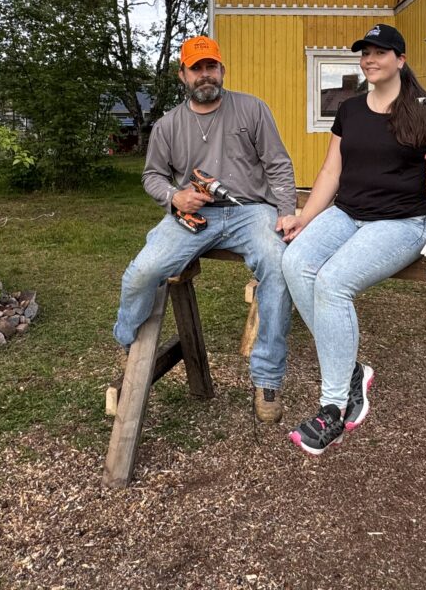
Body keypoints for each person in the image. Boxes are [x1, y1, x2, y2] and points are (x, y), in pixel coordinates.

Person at [280, 24, 426, 454]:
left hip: (400, 222)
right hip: (347, 213)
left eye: (380, 52)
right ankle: (352, 371)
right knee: (294, 262)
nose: (369, 59)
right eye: (365, 53)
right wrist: (305, 218)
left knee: (332, 284)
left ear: (400, 60)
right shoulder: (350, 109)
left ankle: (333, 405)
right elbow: (331, 172)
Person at [113, 35, 297, 423]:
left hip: (251, 212)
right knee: (142, 272)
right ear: (183, 74)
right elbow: (152, 176)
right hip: (195, 217)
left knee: (279, 266)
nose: (205, 74)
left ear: (222, 70)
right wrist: (175, 197)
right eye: (196, 68)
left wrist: (286, 212)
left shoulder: (252, 109)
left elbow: (278, 164)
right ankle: (127, 342)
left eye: (211, 66)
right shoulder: (167, 126)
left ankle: (267, 379)